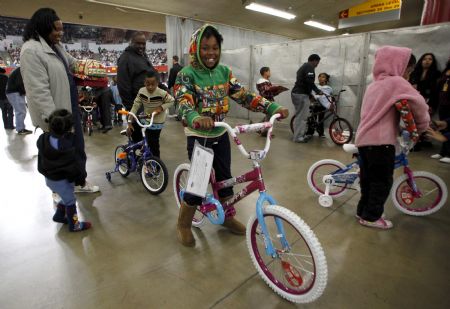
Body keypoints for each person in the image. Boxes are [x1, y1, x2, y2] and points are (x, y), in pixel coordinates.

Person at [174, 24, 289, 247]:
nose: (211, 53)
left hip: (221, 133)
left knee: (226, 178)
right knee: (198, 184)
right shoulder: (186, 74)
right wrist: (195, 116)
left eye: (215, 48)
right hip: (199, 135)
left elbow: (243, 95)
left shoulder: (224, 72)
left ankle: (226, 217)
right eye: (205, 48)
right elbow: (182, 102)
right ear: (196, 49)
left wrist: (271, 107)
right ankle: (184, 224)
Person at [20, 7, 99, 193]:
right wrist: (53, 118)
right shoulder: (31, 51)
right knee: (58, 154)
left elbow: (73, 63)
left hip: (69, 105)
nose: (60, 33)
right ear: (43, 28)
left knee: (77, 147)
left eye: (61, 29)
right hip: (55, 115)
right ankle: (59, 190)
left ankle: (80, 181)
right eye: (56, 29)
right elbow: (38, 90)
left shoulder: (55, 46)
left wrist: (92, 68)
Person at [355, 46, 430, 230]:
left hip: (363, 141)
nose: (408, 74)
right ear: (399, 65)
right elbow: (419, 104)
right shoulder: (396, 82)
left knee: (367, 180)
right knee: (382, 181)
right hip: (381, 143)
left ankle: (363, 211)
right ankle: (372, 217)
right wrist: (422, 127)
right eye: (408, 69)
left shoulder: (373, 85)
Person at [36, 109, 91, 232]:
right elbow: (77, 166)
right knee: (71, 200)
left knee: (65, 196)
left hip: (49, 178)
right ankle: (75, 225)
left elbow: (40, 160)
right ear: (69, 128)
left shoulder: (43, 139)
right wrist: (81, 179)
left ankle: (59, 215)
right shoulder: (70, 145)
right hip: (63, 179)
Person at [117, 32, 162, 143]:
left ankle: (153, 159)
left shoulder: (143, 56)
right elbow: (123, 85)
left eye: (144, 44)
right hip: (137, 106)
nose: (142, 46)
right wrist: (131, 109)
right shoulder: (125, 58)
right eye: (138, 43)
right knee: (139, 141)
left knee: (153, 138)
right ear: (131, 42)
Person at [127, 70, 174, 158]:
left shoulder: (162, 93)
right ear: (144, 82)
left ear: (157, 83)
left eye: (153, 84)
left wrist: (161, 108)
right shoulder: (142, 91)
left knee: (153, 143)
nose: (150, 87)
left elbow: (172, 101)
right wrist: (129, 121)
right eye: (147, 84)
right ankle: (141, 148)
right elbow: (135, 105)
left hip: (157, 122)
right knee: (135, 130)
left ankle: (156, 165)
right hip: (145, 118)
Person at [291, 54, 323, 143]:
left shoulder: (304, 66)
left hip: (298, 93)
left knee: (300, 116)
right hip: (301, 94)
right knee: (302, 117)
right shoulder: (310, 67)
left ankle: (297, 135)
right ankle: (298, 137)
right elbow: (309, 82)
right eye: (317, 62)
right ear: (314, 61)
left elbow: (305, 83)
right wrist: (317, 91)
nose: (317, 64)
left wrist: (310, 95)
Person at [256, 66, 288, 137]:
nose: (270, 73)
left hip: (269, 100)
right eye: (269, 71)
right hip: (265, 101)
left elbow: (270, 93)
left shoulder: (266, 81)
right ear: (265, 72)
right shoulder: (261, 81)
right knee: (269, 115)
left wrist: (278, 91)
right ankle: (265, 132)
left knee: (269, 115)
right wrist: (274, 88)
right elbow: (264, 92)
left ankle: (259, 128)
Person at [430, 59, 450, 163]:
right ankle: (443, 151)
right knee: (444, 127)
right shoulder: (446, 71)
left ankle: (449, 154)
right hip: (443, 104)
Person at [305, 72, 333, 138]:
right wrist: (313, 98)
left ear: (326, 79)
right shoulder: (316, 87)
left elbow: (329, 97)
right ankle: (310, 132)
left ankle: (321, 133)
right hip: (315, 104)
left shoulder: (329, 88)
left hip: (322, 106)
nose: (320, 78)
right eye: (319, 77)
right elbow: (312, 95)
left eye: (323, 77)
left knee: (321, 119)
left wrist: (331, 103)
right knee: (312, 118)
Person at [5, 67, 32, 135]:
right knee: (20, 111)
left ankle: (20, 127)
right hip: (15, 92)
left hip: (13, 92)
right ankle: (20, 129)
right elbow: (19, 83)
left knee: (20, 111)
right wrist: (25, 92)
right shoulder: (22, 70)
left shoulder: (19, 70)